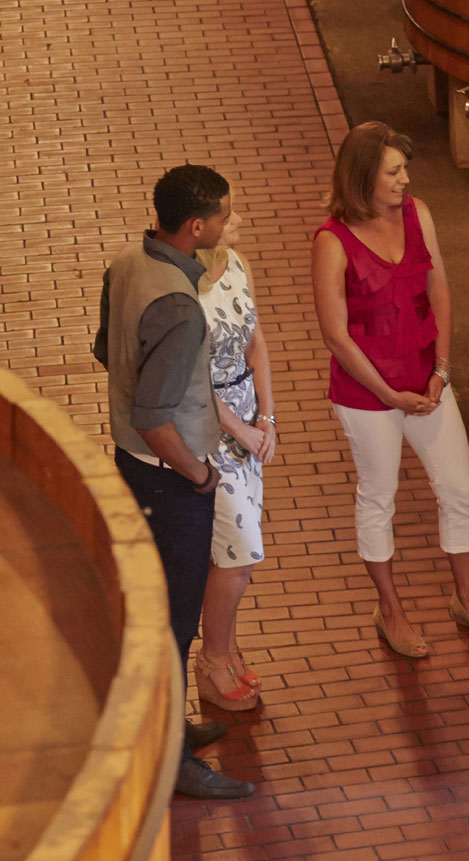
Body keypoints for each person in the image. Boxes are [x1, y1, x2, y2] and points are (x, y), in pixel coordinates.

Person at [313, 121, 469, 658]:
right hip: (367, 395)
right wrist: (389, 394)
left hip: (428, 384)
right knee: (379, 497)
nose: (405, 180)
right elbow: (336, 334)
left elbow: (439, 287)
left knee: (458, 489)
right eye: (393, 171)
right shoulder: (332, 241)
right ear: (362, 177)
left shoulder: (419, 214)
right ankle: (390, 610)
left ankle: (467, 597)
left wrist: (441, 371)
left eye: (406, 169)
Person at [94, 164, 255, 799]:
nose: (228, 223)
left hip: (132, 466)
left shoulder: (128, 263)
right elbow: (155, 417)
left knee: (164, 610)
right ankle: (169, 759)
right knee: (172, 619)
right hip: (169, 480)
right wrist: (200, 471)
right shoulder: (183, 308)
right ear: (197, 227)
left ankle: (172, 726)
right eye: (223, 215)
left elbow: (107, 351)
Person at [194, 198, 275, 711]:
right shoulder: (182, 289)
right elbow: (191, 377)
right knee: (240, 551)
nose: (239, 219)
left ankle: (228, 646)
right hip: (211, 429)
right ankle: (211, 660)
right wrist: (241, 433)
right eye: (227, 213)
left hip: (247, 421)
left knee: (234, 555)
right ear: (198, 224)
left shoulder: (238, 264)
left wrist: (267, 417)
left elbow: (256, 342)